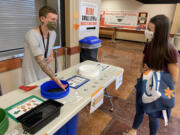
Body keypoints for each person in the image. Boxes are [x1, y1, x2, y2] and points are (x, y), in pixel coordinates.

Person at [123, 15, 179, 135]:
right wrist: (143, 69)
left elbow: (174, 78)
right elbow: (143, 61)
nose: (147, 31)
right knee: (140, 110)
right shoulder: (149, 45)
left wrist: (152, 73)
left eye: (150, 29)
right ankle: (133, 130)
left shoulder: (170, 50)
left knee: (153, 116)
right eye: (147, 28)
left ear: (160, 32)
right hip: (143, 84)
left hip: (156, 91)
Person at [22, 6, 66, 90]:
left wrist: (51, 56)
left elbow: (50, 46)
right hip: (32, 74)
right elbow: (40, 60)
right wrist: (55, 79)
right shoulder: (31, 34)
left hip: (45, 73)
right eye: (52, 19)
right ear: (42, 19)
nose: (55, 22)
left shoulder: (53, 34)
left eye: (56, 20)